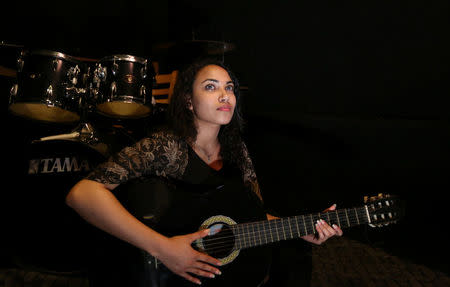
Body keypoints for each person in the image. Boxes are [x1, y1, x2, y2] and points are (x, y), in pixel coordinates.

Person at [66, 57, 343, 287]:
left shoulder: (237, 151)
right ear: (188, 101)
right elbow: (82, 194)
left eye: (230, 88)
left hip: (206, 271)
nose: (225, 95)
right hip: (154, 271)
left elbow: (250, 217)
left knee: (294, 258)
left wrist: (300, 229)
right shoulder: (166, 146)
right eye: (211, 87)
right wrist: (164, 248)